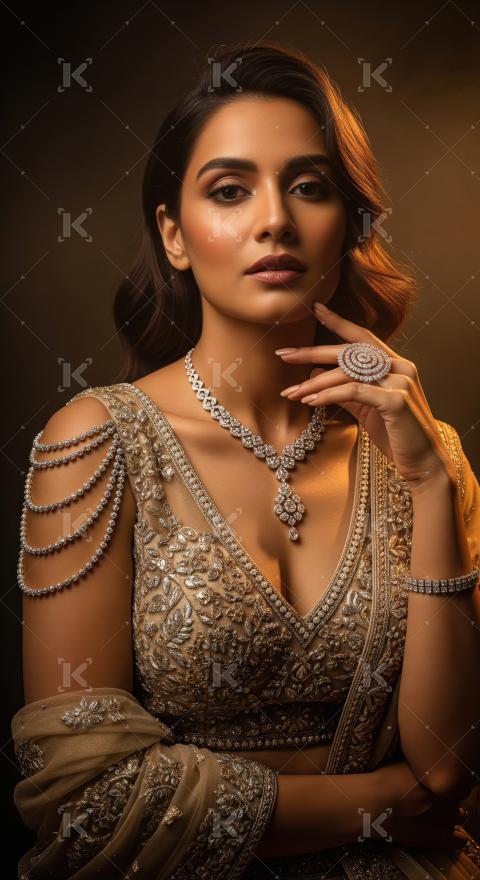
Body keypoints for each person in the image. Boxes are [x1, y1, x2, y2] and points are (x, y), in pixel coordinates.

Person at [11, 41, 480, 879]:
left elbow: (448, 769)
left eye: (309, 186)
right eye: (231, 191)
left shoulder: (426, 454)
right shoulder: (94, 441)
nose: (275, 220)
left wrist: (431, 487)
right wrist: (382, 809)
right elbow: (86, 798)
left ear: (353, 221)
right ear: (175, 235)